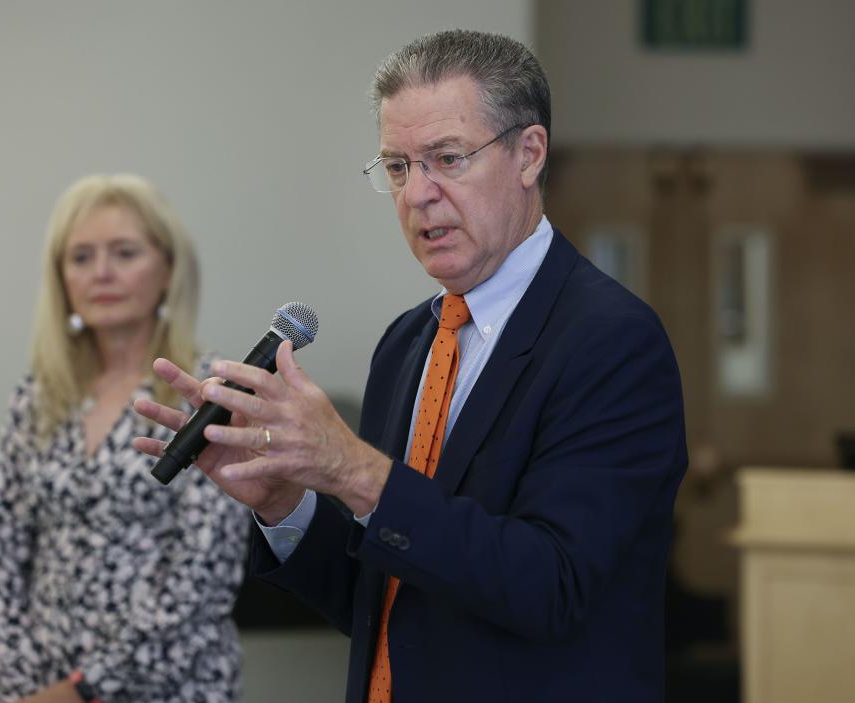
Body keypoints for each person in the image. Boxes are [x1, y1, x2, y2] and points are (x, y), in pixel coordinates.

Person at [135, 29, 687, 703]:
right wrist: (286, 506)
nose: (417, 194)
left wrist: (354, 469)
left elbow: (553, 587)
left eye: (447, 159)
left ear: (528, 154)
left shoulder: (612, 340)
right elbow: (388, 604)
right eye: (397, 167)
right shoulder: (407, 344)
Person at [0, 174, 250, 703]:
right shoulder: (38, 398)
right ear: (61, 277)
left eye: (124, 253)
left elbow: (199, 580)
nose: (101, 273)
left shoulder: (207, 391)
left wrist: (83, 691)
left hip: (169, 685)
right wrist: (19, 685)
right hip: (36, 685)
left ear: (168, 269)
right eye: (80, 257)